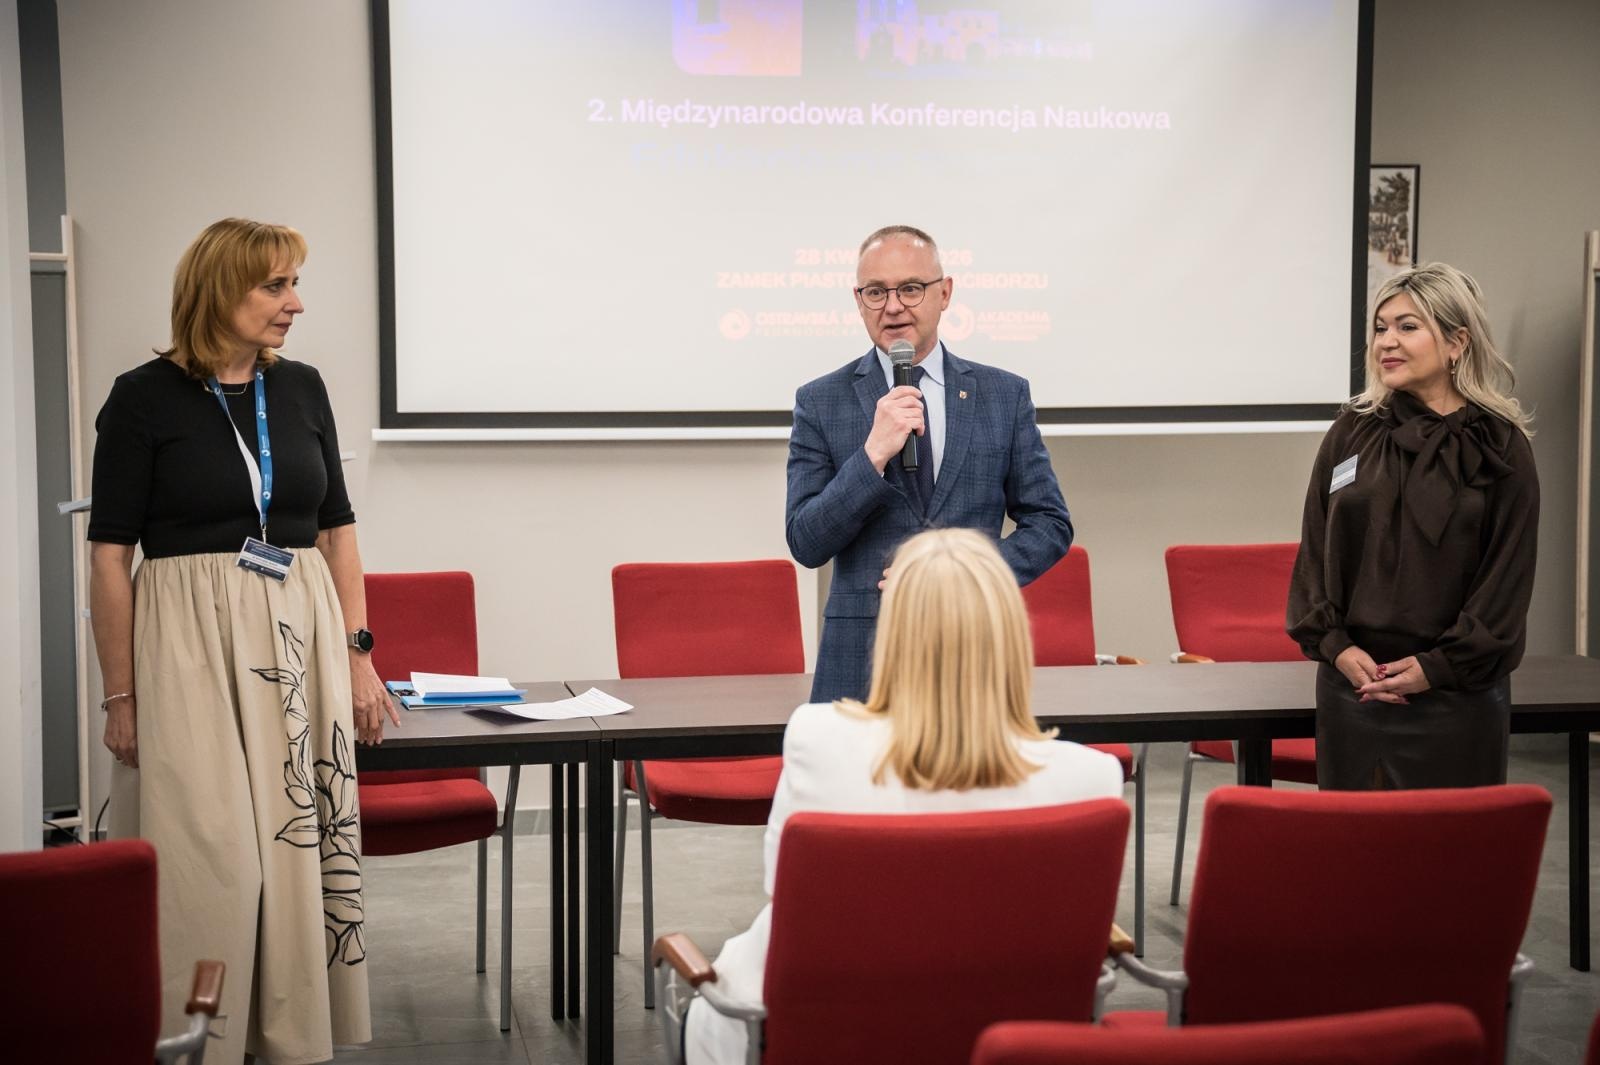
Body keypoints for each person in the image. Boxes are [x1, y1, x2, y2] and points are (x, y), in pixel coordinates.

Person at [89, 218, 395, 1063]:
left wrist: (359, 653)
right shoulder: (141, 399)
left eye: (295, 284)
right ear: (220, 290)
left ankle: (293, 1036)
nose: (295, 303)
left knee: (303, 850)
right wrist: (121, 694)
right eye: (275, 286)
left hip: (300, 629)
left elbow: (338, 533)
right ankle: (201, 1039)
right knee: (209, 856)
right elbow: (110, 558)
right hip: (186, 642)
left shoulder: (301, 388)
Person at [684, 528, 1125, 1065]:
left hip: (822, 1038)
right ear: (1011, 632)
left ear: (892, 633)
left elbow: (788, 895)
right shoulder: (1092, 777)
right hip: (1007, 1040)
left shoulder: (819, 741)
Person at [786, 225, 1072, 702]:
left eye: (911, 288)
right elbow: (806, 541)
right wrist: (872, 455)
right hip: (858, 662)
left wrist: (959, 575)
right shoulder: (821, 401)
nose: (893, 306)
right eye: (875, 292)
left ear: (945, 293)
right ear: (859, 301)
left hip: (972, 652)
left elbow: (1050, 524)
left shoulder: (1002, 395)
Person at [1287, 262, 1538, 790]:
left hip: (1456, 695)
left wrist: (1438, 667)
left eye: (1407, 326)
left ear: (1456, 343)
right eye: (1380, 328)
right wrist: (1336, 647)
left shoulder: (1502, 445)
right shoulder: (1351, 431)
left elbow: (1507, 581)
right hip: (1354, 689)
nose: (1386, 342)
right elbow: (1313, 552)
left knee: (1450, 864)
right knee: (1357, 860)